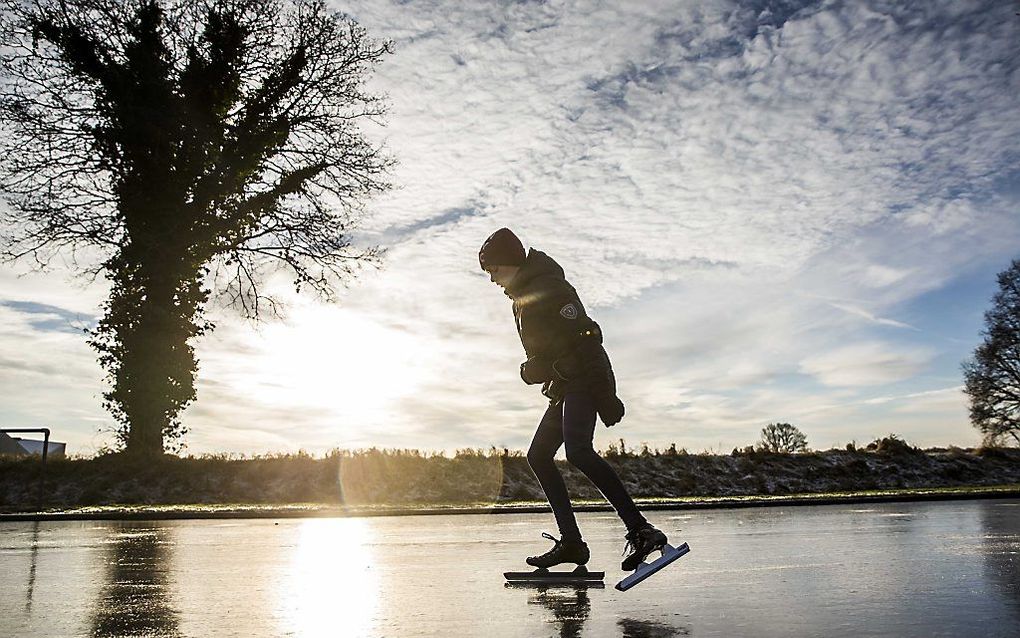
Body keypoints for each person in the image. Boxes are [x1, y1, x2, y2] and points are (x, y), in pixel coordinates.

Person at [479, 227, 668, 572]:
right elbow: (550, 351)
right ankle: (571, 543)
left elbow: (587, 338)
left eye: (493, 270)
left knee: (578, 450)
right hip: (564, 385)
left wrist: (604, 393)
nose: (491, 279)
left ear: (509, 262)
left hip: (584, 379)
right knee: (538, 455)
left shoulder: (551, 288)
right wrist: (537, 369)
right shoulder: (522, 296)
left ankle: (641, 530)